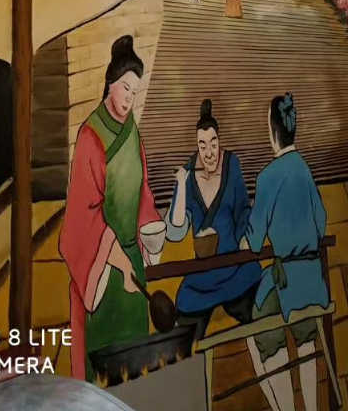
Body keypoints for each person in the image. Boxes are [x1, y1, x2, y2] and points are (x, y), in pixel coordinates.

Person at [59, 36, 162, 382]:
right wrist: (116, 258)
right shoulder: (91, 136)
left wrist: (151, 234)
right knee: (102, 367)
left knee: (135, 364)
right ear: (110, 84)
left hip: (131, 263)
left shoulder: (132, 132)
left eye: (135, 91)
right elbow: (82, 216)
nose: (130, 98)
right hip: (101, 268)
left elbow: (142, 191)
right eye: (125, 88)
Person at [243, 94, 328, 411]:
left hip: (286, 283)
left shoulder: (268, 177)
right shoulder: (304, 169)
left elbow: (253, 241)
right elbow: (321, 222)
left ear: (272, 130)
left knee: (260, 333)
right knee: (306, 342)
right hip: (313, 282)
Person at [166, 99, 261, 341]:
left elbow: (243, 210)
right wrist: (180, 185)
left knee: (257, 314)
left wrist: (245, 240)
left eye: (213, 144)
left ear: (219, 141)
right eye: (203, 146)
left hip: (235, 266)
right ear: (197, 146)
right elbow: (175, 230)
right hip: (203, 276)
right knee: (185, 321)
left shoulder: (232, 164)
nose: (209, 153)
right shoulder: (188, 173)